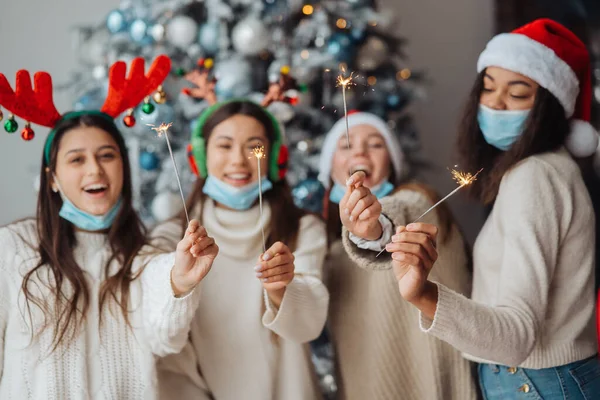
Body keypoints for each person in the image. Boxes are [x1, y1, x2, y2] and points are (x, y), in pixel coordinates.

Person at [343, 19, 600, 399]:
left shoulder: (534, 176)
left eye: (517, 94)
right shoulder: (546, 170)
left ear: (547, 105)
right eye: (488, 88)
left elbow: (516, 336)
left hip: (535, 383)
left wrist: (423, 295)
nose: (494, 104)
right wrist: (374, 230)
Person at [0, 55, 219, 399]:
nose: (95, 171)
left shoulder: (144, 255)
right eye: (76, 159)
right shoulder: (13, 247)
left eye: (107, 155)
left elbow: (166, 337)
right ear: (52, 178)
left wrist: (180, 282)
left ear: (123, 166)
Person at [155, 99, 329, 400]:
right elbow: (161, 337)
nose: (238, 160)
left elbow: (308, 325)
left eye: (254, 147)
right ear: (199, 157)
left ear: (276, 158)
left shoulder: (303, 230)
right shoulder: (173, 238)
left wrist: (281, 291)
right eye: (224, 146)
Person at [318, 112, 478, 399]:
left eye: (376, 144)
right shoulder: (326, 244)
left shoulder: (420, 201)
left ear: (391, 160)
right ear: (328, 167)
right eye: (346, 145)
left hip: (432, 382)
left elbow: (395, 215)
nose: (360, 151)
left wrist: (372, 228)